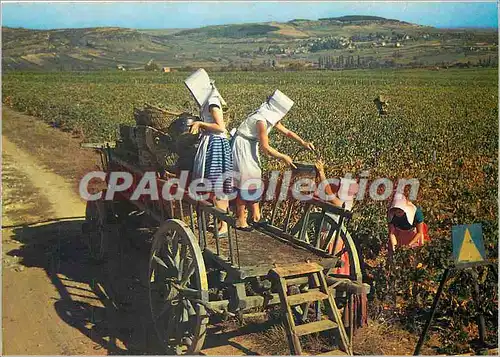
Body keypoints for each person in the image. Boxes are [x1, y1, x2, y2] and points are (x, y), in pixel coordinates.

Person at [231, 89, 315, 230]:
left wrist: (303, 142)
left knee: (254, 177)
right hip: (242, 145)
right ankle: (240, 219)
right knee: (245, 180)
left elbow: (287, 132)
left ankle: (256, 216)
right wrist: (283, 157)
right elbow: (265, 148)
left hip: (250, 144)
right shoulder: (261, 121)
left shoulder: (269, 119)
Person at [185, 69, 233, 236]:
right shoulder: (208, 102)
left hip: (217, 144)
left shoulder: (213, 102)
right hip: (211, 143)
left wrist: (199, 124)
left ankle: (224, 224)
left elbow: (220, 127)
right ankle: (218, 220)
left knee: (217, 185)